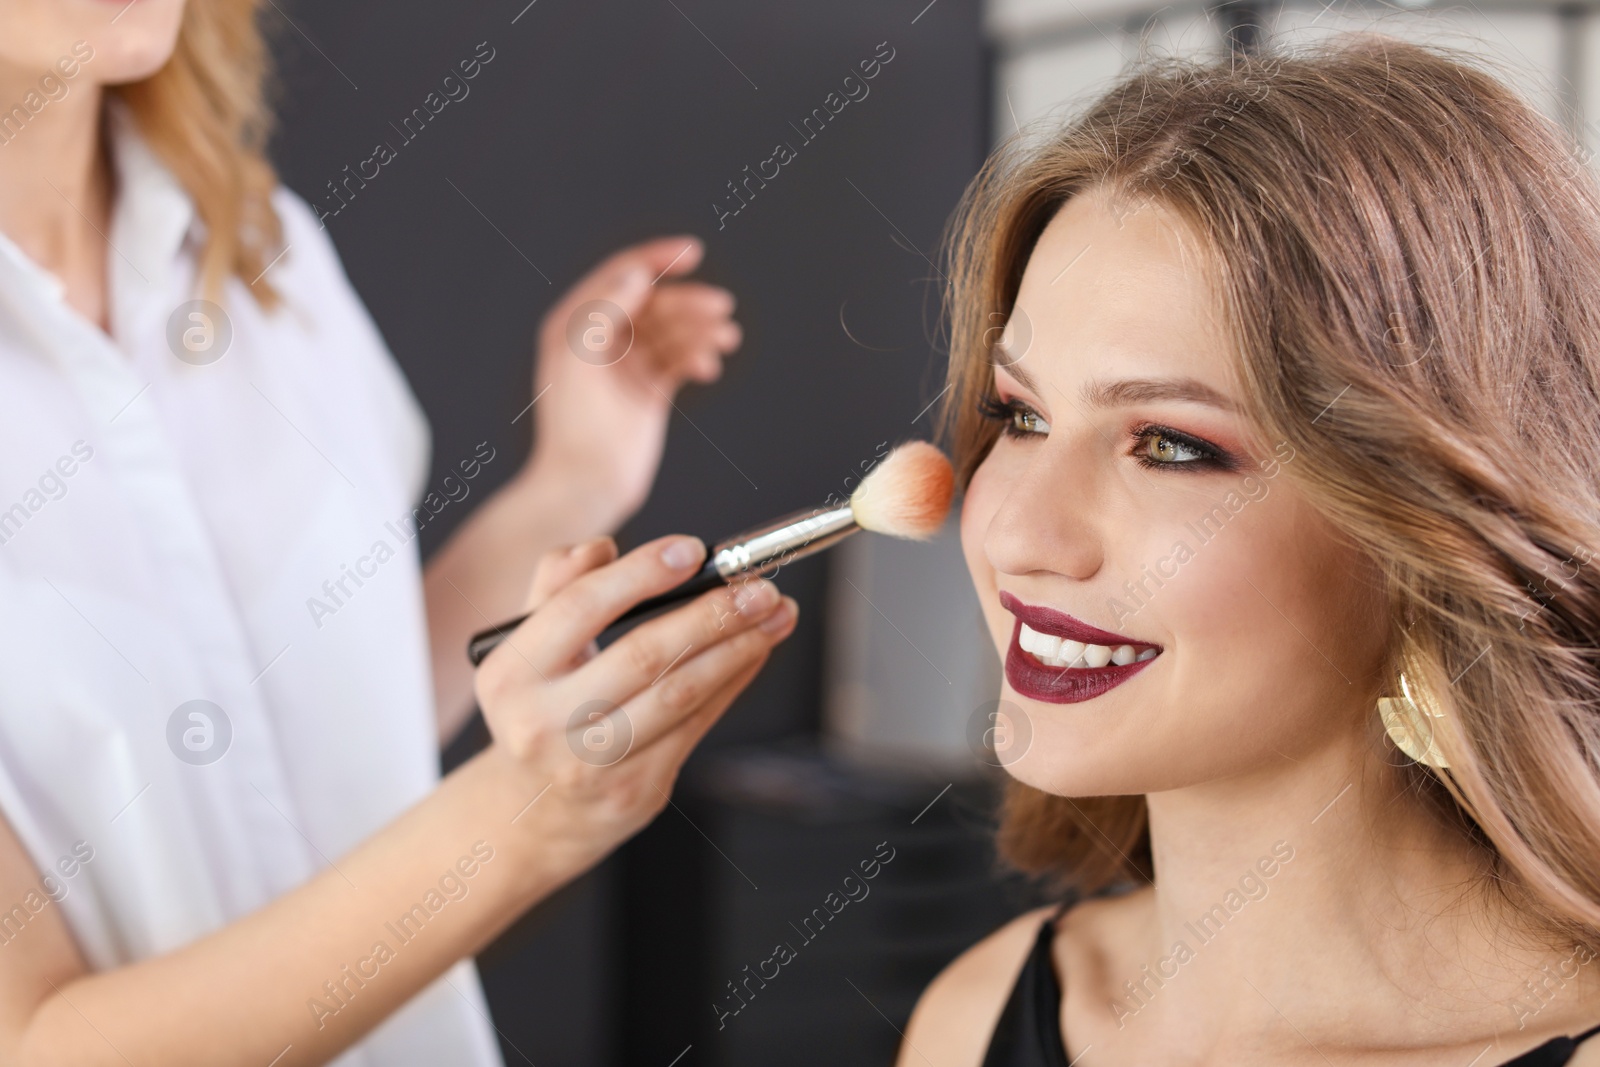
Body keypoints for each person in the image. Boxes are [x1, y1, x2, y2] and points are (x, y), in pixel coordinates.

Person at [0, 1, 797, 1064]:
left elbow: (335, 722)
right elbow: (40, 1040)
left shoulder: (266, 252)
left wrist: (569, 485)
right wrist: (519, 823)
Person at [902, 36, 1600, 1066]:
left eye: (1171, 446)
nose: (1015, 531)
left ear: (1418, 527)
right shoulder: (975, 1013)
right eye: (1021, 415)